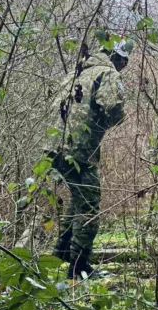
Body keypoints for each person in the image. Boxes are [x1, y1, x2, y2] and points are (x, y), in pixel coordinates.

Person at [46, 39, 129, 279]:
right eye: (123, 63)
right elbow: (113, 108)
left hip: (54, 146)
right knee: (89, 206)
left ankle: (61, 253)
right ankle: (78, 267)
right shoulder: (108, 73)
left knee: (77, 199)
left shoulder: (79, 70)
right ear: (119, 59)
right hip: (80, 151)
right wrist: (115, 119)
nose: (122, 68)